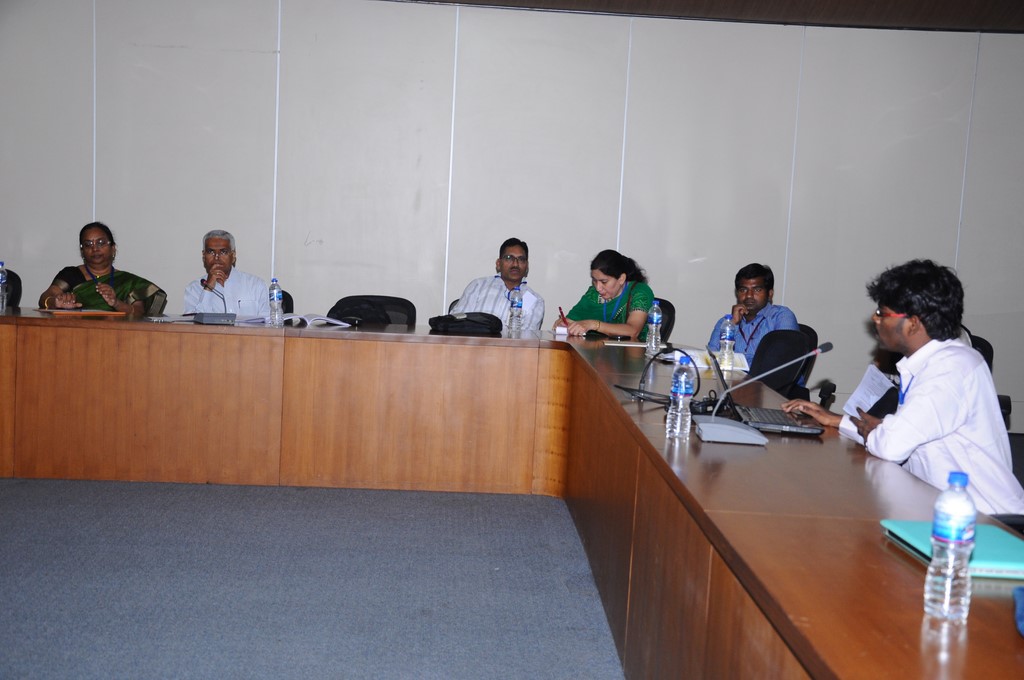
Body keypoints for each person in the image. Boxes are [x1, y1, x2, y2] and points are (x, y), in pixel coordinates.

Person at [782, 259, 1024, 515]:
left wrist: (883, 431)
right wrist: (838, 420)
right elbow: (897, 435)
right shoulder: (928, 362)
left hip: (984, 520)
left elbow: (891, 445)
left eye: (882, 313)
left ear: (913, 323)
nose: (875, 319)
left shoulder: (950, 368)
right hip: (934, 508)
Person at [38, 222, 166, 315]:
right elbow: (45, 298)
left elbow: (138, 312)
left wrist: (116, 303)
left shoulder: (128, 282)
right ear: (82, 251)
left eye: (100, 243)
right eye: (88, 244)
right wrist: (55, 302)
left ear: (113, 248)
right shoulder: (71, 274)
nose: (94, 248)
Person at [707, 263, 799, 365]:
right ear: (737, 293)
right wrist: (732, 325)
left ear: (770, 294)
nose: (749, 295)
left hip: (769, 376)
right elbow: (710, 360)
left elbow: (782, 361)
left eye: (757, 290)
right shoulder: (725, 322)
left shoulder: (781, 317)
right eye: (743, 290)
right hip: (731, 375)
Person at [554, 249, 653, 341]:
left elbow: (633, 331)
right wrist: (563, 325)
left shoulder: (639, 292)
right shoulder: (593, 294)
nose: (598, 288)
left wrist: (594, 324)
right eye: (594, 280)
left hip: (634, 352)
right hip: (600, 350)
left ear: (621, 279)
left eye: (604, 282)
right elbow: (570, 321)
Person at [450, 237, 545, 330]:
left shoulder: (535, 300)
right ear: (498, 264)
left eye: (521, 259)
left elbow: (526, 337)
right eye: (509, 258)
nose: (515, 264)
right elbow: (455, 323)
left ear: (526, 266)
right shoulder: (478, 286)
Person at [184, 230, 270, 316]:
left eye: (223, 252)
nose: (216, 257)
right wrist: (208, 289)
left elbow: (267, 321)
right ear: (204, 256)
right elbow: (194, 322)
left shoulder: (256, 286)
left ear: (233, 255)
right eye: (211, 252)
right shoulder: (194, 289)